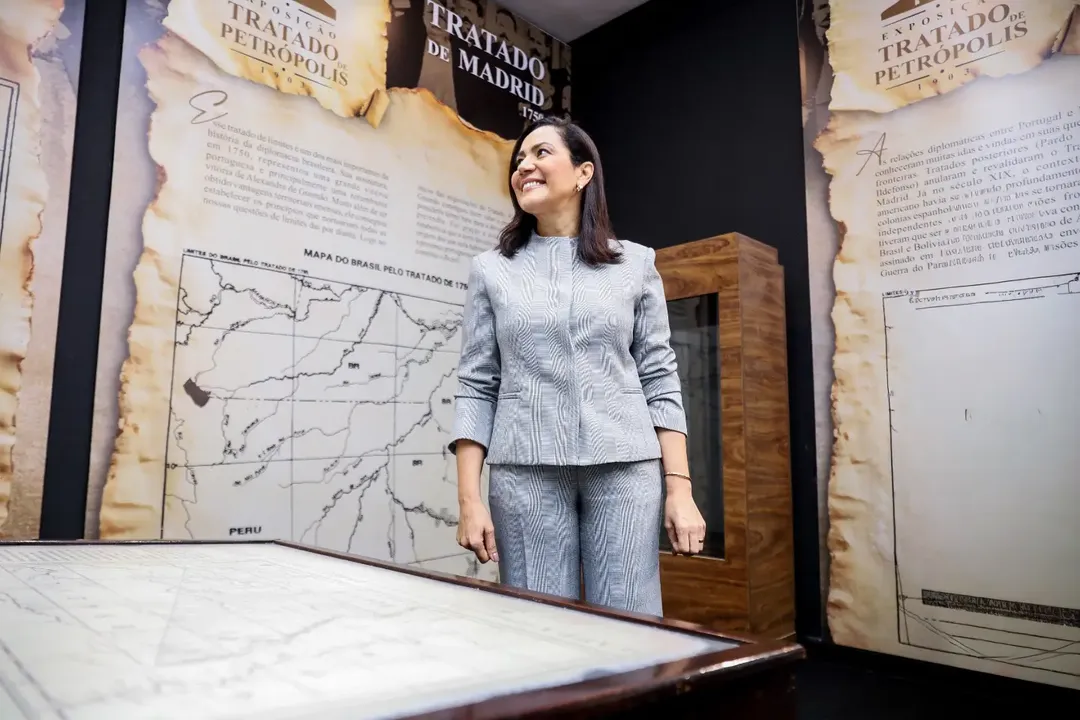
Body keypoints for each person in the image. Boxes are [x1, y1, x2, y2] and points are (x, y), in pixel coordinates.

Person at [449, 116, 706, 616]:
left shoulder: (635, 264)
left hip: (626, 468)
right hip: (524, 472)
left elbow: (659, 376)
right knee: (538, 626)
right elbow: (477, 384)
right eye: (519, 159)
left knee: (630, 625)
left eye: (541, 153)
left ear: (584, 172)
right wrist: (468, 499)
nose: (524, 166)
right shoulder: (491, 270)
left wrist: (680, 488)